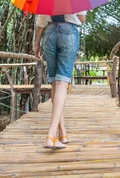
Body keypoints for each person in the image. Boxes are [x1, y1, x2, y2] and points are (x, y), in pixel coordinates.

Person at [34, 11, 86, 149]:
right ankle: (51, 135)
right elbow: (82, 18)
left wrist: (37, 43)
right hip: (68, 32)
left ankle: (62, 132)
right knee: (61, 83)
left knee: (54, 83)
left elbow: (41, 20)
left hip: (49, 33)